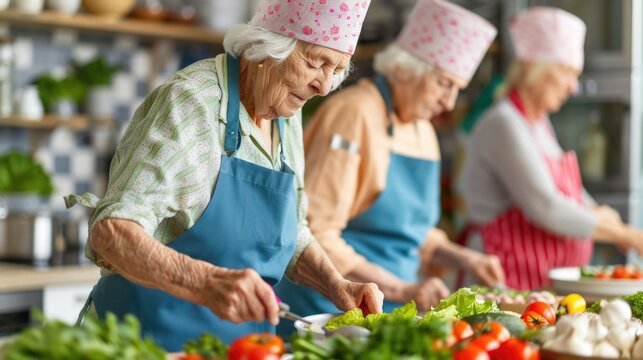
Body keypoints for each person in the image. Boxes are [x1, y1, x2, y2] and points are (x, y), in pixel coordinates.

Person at [65, 0, 383, 351]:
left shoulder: (286, 114)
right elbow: (112, 231)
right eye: (314, 62)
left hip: (238, 349)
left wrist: (336, 284)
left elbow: (295, 230)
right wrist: (205, 283)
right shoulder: (191, 103)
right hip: (143, 343)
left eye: (335, 69)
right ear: (269, 47)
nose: (323, 87)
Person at [274, 0, 504, 327]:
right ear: (405, 69)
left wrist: (465, 257)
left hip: (393, 311)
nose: (449, 101)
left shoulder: (423, 129)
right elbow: (317, 231)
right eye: (444, 83)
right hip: (336, 311)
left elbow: (413, 233)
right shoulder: (353, 113)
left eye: (458, 89)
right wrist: (403, 288)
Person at [463, 6, 643, 290]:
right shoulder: (503, 123)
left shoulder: (538, 123)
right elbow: (546, 206)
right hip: (505, 284)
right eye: (567, 72)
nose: (573, 88)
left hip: (542, 286)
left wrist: (599, 212)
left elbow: (571, 195)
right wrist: (628, 235)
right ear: (535, 70)